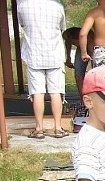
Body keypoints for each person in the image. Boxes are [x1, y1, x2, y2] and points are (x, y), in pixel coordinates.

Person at [17, 0, 68, 139]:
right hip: (54, 54)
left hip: (34, 54)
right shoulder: (58, 6)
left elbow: (22, 24)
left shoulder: (23, 5)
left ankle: (39, 129)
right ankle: (57, 128)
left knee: (37, 92)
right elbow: (62, 27)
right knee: (56, 91)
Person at [63, 26, 94, 101]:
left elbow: (93, 54)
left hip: (92, 47)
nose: (74, 45)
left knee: (96, 74)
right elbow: (68, 42)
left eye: (74, 43)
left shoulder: (89, 38)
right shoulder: (71, 39)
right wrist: (68, 58)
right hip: (83, 48)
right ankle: (83, 99)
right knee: (78, 75)